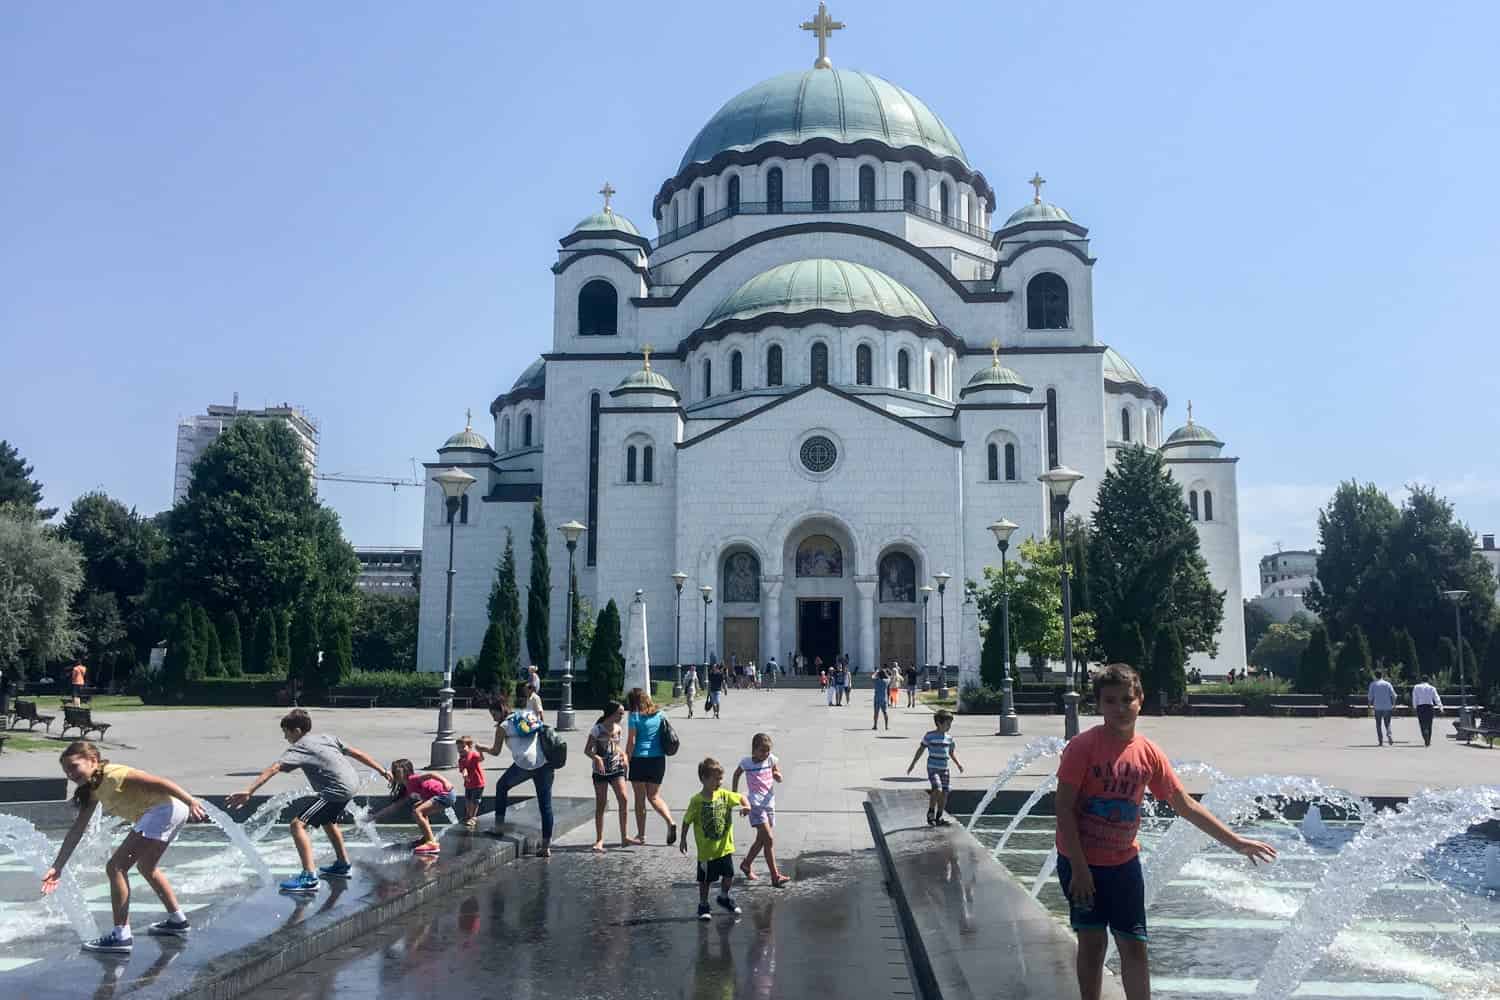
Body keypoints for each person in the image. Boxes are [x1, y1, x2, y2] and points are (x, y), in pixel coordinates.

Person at [1054, 663, 1277, 1000]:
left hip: (1124, 864)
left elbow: (1184, 804)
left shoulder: (1149, 753)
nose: (1119, 708)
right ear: (1098, 705)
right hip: (1081, 863)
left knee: (1134, 943)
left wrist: (1236, 842)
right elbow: (1064, 809)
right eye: (1110, 701)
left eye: (1126, 699)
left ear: (1140, 700)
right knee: (1093, 941)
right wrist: (1081, 869)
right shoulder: (1083, 747)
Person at [45, 741, 208, 953]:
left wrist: (192, 801)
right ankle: (177, 920)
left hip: (163, 809)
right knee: (146, 866)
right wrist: (58, 867)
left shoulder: (112, 774)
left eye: (74, 766)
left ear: (93, 760)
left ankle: (121, 935)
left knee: (116, 867)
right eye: (66, 770)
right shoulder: (94, 789)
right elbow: (77, 830)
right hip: (171, 810)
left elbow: (160, 782)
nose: (70, 773)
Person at [229, 708, 390, 892]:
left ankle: (309, 876)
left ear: (296, 730)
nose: (285, 738)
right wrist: (382, 771)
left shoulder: (300, 747)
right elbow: (358, 753)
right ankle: (343, 863)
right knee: (328, 821)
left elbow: (274, 768)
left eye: (286, 733)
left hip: (335, 791)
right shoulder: (327, 738)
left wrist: (249, 791)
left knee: (297, 825)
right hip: (351, 785)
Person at [485, 694, 555, 857]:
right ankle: (546, 847)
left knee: (501, 786)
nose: (493, 718)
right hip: (545, 762)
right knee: (546, 805)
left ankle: (499, 827)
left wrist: (482, 749)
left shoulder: (503, 726)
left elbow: (496, 751)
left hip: (525, 764)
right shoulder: (526, 715)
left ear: (500, 710)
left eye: (493, 715)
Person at [680, 757, 750, 919]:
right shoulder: (696, 801)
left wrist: (747, 806)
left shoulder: (724, 795)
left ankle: (724, 897)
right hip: (706, 851)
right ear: (704, 779)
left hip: (724, 848)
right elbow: (686, 820)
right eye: (716, 779)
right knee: (705, 881)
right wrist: (683, 839)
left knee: (729, 876)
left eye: (721, 779)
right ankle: (703, 905)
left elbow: (740, 797)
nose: (719, 782)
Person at [733, 734, 790, 887]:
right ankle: (775, 876)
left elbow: (777, 772)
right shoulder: (746, 762)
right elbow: (736, 774)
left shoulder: (771, 759)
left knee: (762, 840)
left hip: (769, 803)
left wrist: (778, 776)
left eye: (767, 751)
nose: (765, 754)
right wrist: (735, 794)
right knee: (769, 839)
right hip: (755, 805)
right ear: (754, 750)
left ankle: (746, 864)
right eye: (762, 751)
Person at [373, 760, 457, 855]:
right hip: (442, 796)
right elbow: (396, 805)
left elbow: (431, 774)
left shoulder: (413, 779)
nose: (395, 775)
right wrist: (375, 816)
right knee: (417, 809)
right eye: (394, 772)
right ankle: (427, 838)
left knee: (418, 811)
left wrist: (445, 782)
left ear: (406, 771)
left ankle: (432, 844)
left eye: (397, 772)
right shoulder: (408, 786)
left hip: (445, 795)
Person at [626, 688, 677, 845]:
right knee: (654, 796)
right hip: (658, 760)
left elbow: (632, 741)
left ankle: (641, 836)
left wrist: (627, 759)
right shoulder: (660, 714)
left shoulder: (634, 716)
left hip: (639, 759)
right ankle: (670, 821)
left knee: (640, 799)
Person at [585, 700, 630, 852]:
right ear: (611, 713)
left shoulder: (618, 728)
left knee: (623, 798)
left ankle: (624, 837)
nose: (622, 715)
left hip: (616, 769)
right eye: (620, 713)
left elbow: (617, 746)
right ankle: (599, 840)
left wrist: (624, 756)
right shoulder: (597, 729)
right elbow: (587, 750)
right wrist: (596, 758)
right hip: (601, 771)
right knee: (601, 804)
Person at [908, 710, 963, 825]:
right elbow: (921, 749)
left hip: (945, 769)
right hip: (933, 768)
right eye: (947, 724)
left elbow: (951, 753)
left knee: (945, 792)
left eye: (950, 724)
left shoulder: (949, 738)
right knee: (937, 789)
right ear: (938, 723)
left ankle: (939, 816)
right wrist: (913, 763)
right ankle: (931, 812)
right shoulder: (930, 736)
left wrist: (958, 764)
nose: (949, 727)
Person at [458, 736, 485, 830]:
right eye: (458, 748)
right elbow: (463, 769)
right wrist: (464, 774)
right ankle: (468, 816)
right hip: (468, 784)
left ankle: (473, 817)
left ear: (469, 746)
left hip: (478, 783)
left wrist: (480, 751)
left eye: (462, 747)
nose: (460, 750)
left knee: (475, 801)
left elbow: (481, 759)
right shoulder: (461, 759)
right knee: (468, 800)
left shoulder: (473, 755)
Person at [1411, 675, 1444, 748]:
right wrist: (1440, 707)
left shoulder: (1416, 687)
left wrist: (1414, 707)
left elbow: (1414, 698)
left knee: (1422, 723)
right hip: (1429, 707)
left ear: (1421, 680)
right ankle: (1428, 740)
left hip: (1420, 707)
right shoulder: (1432, 688)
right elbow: (1436, 698)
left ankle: (1425, 737)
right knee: (1429, 724)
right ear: (1428, 680)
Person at [1368, 670, 1397, 746]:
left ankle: (1380, 740)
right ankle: (1389, 735)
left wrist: (1369, 706)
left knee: (1378, 724)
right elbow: (1394, 695)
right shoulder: (1387, 684)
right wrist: (1393, 705)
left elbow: (1370, 697)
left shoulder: (1373, 684)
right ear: (1382, 675)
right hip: (1387, 706)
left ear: (1375, 676)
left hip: (1377, 707)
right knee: (1387, 723)